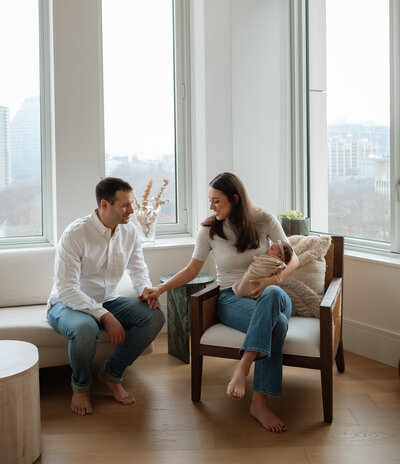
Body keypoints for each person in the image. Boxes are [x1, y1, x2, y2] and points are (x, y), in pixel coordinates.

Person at [141, 172, 299, 433]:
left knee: (272, 298)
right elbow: (192, 271)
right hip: (232, 299)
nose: (211, 207)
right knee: (278, 325)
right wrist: (160, 289)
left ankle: (242, 367)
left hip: (274, 296)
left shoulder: (264, 219)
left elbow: (295, 258)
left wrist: (275, 279)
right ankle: (259, 403)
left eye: (216, 201)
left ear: (234, 199)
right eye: (209, 200)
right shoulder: (209, 230)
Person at [47, 177, 165, 416]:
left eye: (131, 203)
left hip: (108, 299)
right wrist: (105, 317)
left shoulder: (130, 231)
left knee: (154, 317)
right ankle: (80, 387)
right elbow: (68, 289)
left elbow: (138, 269)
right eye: (125, 205)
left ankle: (111, 375)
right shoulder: (75, 233)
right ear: (104, 205)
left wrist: (145, 290)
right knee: (84, 329)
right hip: (67, 303)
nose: (132, 210)